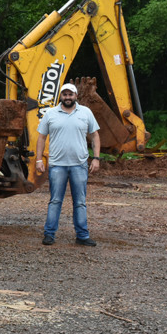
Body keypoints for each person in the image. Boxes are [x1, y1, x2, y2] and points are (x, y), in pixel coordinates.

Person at [36, 83, 100, 247]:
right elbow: (41, 137)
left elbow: (95, 136)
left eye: (70, 94)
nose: (67, 97)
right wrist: (38, 160)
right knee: (55, 200)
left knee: (80, 201)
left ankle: (82, 235)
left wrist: (96, 158)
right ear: (61, 96)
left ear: (76, 96)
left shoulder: (85, 113)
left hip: (79, 165)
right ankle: (49, 234)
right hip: (57, 165)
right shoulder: (50, 114)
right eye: (64, 94)